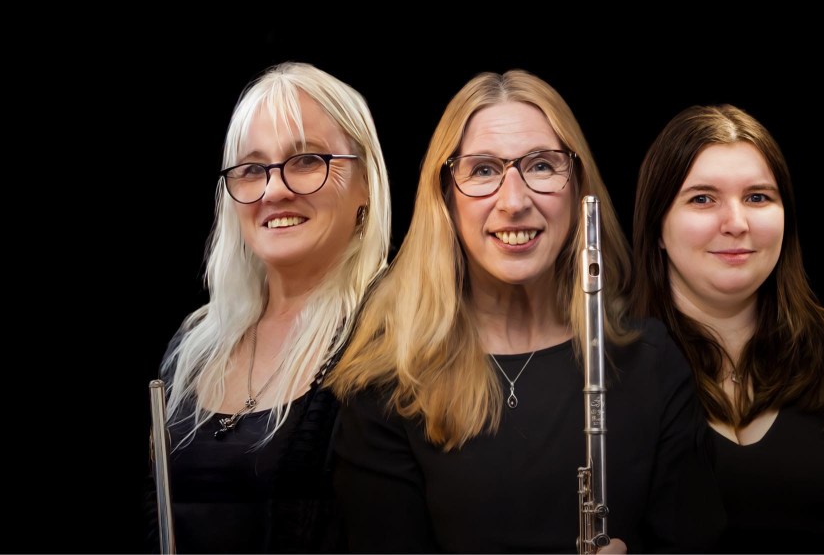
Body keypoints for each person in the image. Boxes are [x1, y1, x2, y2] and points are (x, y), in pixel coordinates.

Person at [327, 69, 721, 553]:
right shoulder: (387, 383)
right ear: (446, 197)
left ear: (578, 189)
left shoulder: (652, 362)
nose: (514, 201)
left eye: (541, 166)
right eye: (483, 170)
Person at [629, 103, 824, 553]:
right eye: (702, 198)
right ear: (657, 226)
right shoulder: (608, 367)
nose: (736, 224)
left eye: (758, 197)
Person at [147, 61, 392, 553]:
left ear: (365, 182)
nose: (275, 190)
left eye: (306, 160)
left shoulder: (395, 337)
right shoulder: (191, 348)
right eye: (252, 169)